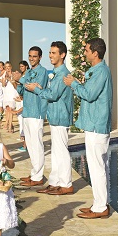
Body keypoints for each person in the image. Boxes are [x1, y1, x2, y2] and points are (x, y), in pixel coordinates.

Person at [64, 38, 113, 219]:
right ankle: (99, 203)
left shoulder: (100, 71)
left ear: (95, 52)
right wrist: (78, 83)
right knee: (100, 166)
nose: (84, 52)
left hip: (96, 125)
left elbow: (89, 95)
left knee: (97, 167)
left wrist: (74, 84)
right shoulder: (98, 71)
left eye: (86, 50)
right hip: (94, 124)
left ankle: (100, 208)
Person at [25, 41, 74, 196]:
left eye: (53, 53)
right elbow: (51, 91)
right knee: (56, 152)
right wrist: (41, 89)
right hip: (55, 116)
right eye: (50, 53)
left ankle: (66, 184)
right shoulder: (56, 73)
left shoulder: (62, 74)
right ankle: (54, 182)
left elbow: (53, 95)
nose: (50, 56)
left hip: (61, 115)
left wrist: (37, 90)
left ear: (62, 55)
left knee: (61, 151)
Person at [14, 48, 48, 185]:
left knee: (37, 145)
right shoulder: (28, 72)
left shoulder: (43, 72)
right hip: (27, 112)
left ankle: (38, 177)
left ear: (40, 57)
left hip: (36, 112)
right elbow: (22, 90)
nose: (32, 58)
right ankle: (35, 173)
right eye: (30, 56)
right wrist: (16, 82)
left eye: (34, 56)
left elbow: (34, 87)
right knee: (30, 145)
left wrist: (21, 80)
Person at [0, 62, 19, 133]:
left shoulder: (14, 74)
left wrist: (9, 78)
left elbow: (15, 83)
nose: (7, 68)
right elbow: (3, 85)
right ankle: (10, 125)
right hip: (6, 93)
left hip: (13, 93)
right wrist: (4, 80)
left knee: (11, 109)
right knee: (7, 110)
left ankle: (10, 125)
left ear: (11, 67)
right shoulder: (4, 75)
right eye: (6, 67)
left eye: (8, 67)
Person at [15, 60, 29, 150]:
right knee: (22, 123)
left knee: (25, 124)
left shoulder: (26, 76)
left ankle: (26, 145)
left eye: (22, 66)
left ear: (26, 66)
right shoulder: (21, 76)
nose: (21, 68)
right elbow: (19, 89)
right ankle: (24, 144)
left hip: (26, 101)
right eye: (20, 66)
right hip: (21, 98)